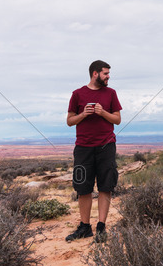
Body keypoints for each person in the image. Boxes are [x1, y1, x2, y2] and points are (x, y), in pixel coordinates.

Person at [65, 60, 122, 243]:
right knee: (83, 188)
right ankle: (84, 227)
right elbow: (70, 121)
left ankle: (101, 227)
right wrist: (84, 114)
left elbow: (117, 119)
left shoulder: (111, 93)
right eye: (105, 73)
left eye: (108, 73)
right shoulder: (77, 94)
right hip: (83, 148)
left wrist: (102, 112)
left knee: (106, 186)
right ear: (95, 74)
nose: (108, 77)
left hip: (106, 146)